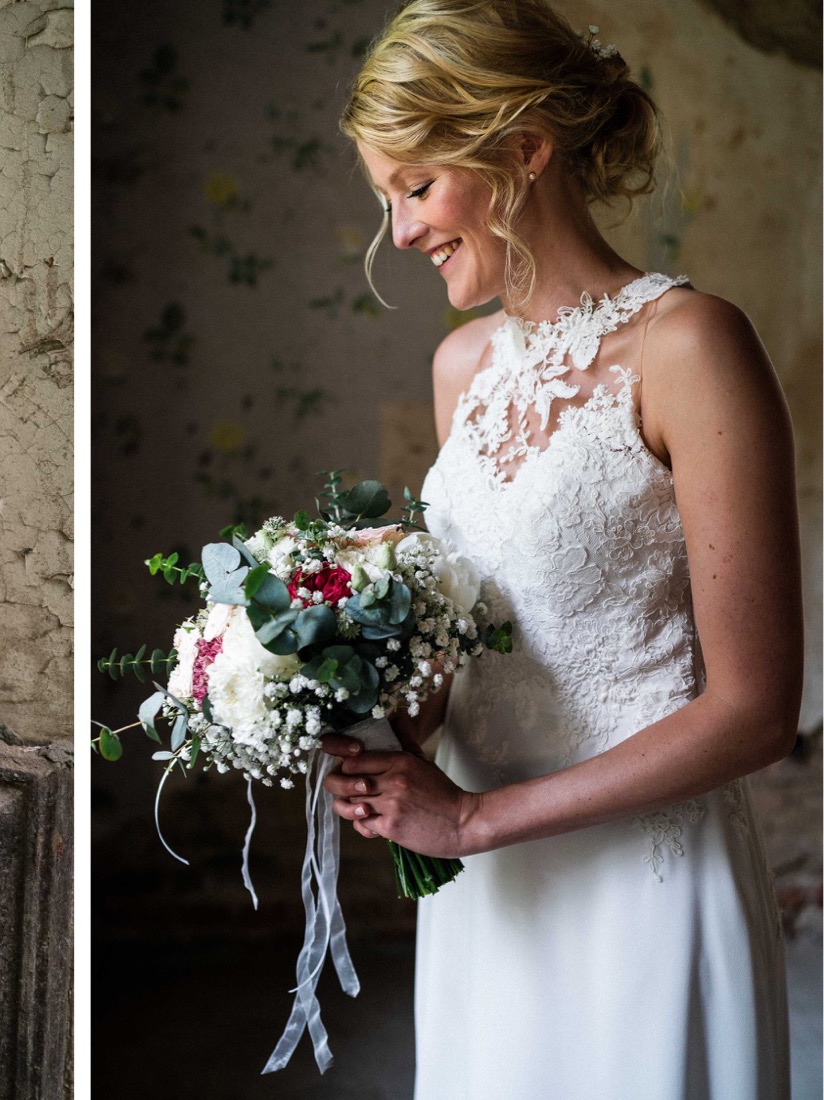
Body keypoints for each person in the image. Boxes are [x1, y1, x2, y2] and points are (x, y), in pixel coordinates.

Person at [315, 1, 802, 1096]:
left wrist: (472, 818)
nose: (398, 233)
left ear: (523, 150)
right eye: (386, 197)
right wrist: (358, 691)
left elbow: (759, 709)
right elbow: (476, 661)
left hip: (645, 894)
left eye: (415, 186)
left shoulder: (692, 345)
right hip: (490, 901)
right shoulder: (462, 370)